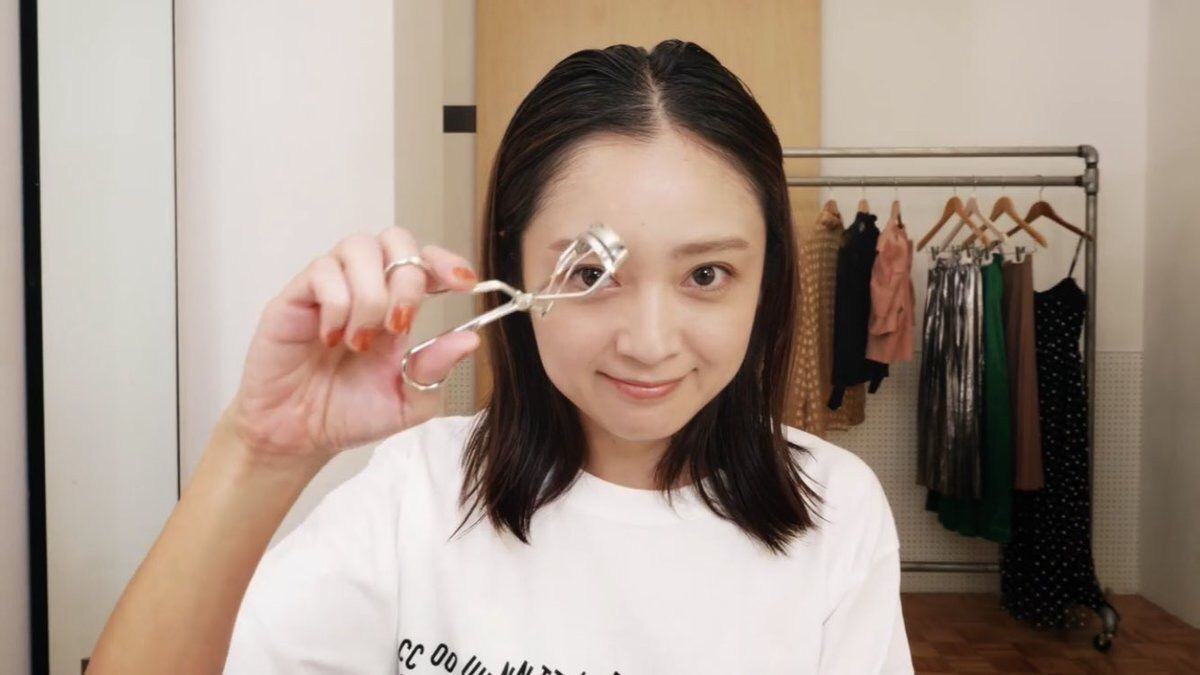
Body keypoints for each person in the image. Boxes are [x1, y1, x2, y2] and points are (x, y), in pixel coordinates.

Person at [87, 40, 913, 674]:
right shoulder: (417, 494)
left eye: (706, 274)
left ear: (768, 276)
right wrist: (259, 453)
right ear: (513, 262)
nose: (650, 341)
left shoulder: (835, 513)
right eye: (589, 273)